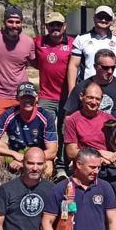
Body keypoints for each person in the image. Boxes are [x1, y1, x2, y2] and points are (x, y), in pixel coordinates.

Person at [64, 82, 116, 230]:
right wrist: (100, 154)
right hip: (86, 165)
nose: (93, 102)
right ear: (82, 97)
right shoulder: (72, 120)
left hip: (110, 164)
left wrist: (115, 156)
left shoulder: (108, 119)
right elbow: (71, 152)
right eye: (90, 97)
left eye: (97, 99)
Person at [0, 5, 36, 136]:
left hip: (21, 96)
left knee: (22, 137)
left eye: (17, 22)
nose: (14, 25)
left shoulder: (28, 42)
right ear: (4, 22)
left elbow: (31, 62)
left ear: (22, 22)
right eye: (10, 21)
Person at [0, 82, 59, 176]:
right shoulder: (9, 114)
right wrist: (13, 154)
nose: (27, 101)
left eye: (30, 97)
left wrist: (25, 161)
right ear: (17, 98)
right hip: (14, 154)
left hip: (36, 156)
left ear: (36, 98)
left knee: (49, 166)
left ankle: (39, 188)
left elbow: (52, 151)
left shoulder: (46, 116)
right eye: (24, 97)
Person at [67, 5, 116, 88]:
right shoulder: (81, 39)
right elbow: (73, 66)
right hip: (88, 88)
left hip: (112, 87)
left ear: (111, 21)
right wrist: (71, 91)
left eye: (107, 18)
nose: (103, 20)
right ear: (94, 18)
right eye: (100, 17)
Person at [33, 11, 73, 147]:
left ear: (65, 26)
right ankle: (44, 160)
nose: (55, 28)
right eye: (52, 25)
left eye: (58, 25)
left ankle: (61, 163)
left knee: (65, 131)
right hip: (46, 96)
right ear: (46, 26)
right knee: (44, 129)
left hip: (66, 97)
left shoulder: (73, 43)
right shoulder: (38, 41)